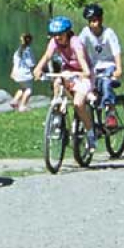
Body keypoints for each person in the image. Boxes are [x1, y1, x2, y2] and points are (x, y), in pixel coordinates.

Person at [35, 15, 96, 148]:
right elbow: (47, 56)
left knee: (78, 104)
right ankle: (57, 116)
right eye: (54, 35)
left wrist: (78, 74)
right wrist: (38, 68)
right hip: (68, 72)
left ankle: (91, 134)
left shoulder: (76, 43)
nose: (57, 38)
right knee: (57, 82)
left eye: (60, 34)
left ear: (67, 32)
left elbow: (85, 69)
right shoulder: (54, 42)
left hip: (84, 74)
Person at [79, 3, 124, 127]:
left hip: (108, 65)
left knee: (105, 84)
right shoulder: (85, 32)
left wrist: (119, 68)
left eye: (96, 20)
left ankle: (110, 113)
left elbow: (116, 51)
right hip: (94, 66)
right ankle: (92, 121)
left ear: (101, 19)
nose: (94, 24)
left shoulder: (109, 33)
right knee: (89, 89)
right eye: (91, 21)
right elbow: (79, 48)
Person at [11, 33, 37, 112]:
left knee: (22, 88)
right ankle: (22, 106)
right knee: (29, 90)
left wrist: (12, 72)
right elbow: (31, 63)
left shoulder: (18, 50)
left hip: (17, 73)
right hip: (24, 74)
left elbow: (15, 62)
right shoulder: (28, 50)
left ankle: (14, 101)